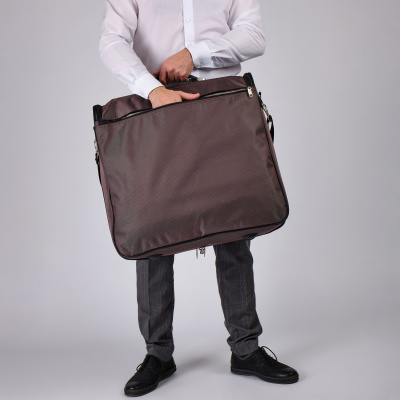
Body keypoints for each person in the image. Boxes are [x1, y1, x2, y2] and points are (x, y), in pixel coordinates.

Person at [98, 0, 299, 396]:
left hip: (221, 107)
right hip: (157, 109)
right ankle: (158, 355)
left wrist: (196, 54)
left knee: (235, 226)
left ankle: (246, 350)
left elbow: (254, 35)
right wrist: (152, 88)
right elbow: (111, 40)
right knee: (153, 232)